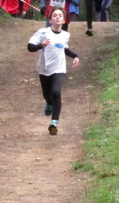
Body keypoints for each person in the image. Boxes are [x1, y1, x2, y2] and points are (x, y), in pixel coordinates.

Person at [27, 8, 80, 136]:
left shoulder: (65, 35)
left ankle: (54, 123)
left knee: (56, 92)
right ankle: (49, 103)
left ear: (63, 20)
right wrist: (41, 45)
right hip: (44, 68)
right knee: (47, 94)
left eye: (59, 15)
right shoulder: (43, 32)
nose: (57, 17)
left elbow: (64, 49)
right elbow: (30, 47)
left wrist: (75, 56)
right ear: (50, 20)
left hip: (59, 68)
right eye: (54, 15)